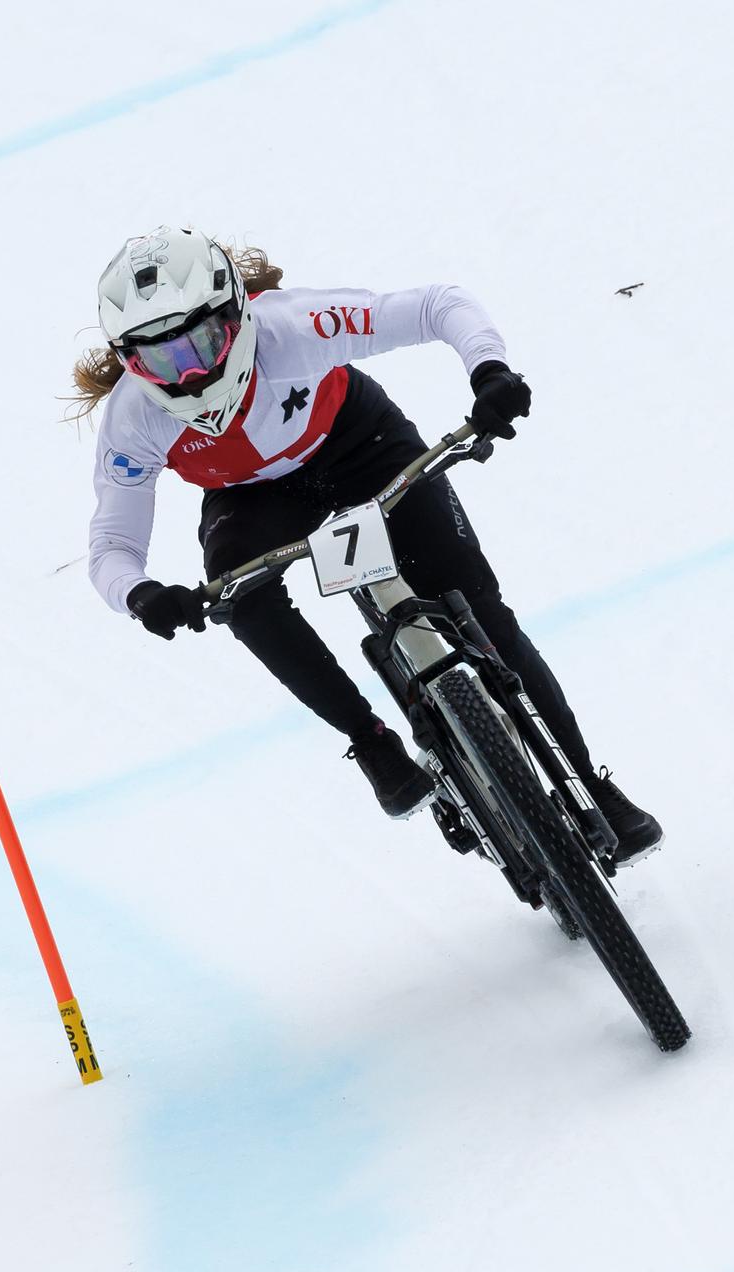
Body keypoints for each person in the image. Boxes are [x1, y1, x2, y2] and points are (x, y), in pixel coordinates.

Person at [74, 226, 661, 865]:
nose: (186, 376)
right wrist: (142, 595)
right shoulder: (135, 419)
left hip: (359, 441)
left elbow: (440, 304)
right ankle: (373, 741)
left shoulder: (294, 327)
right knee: (245, 604)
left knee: (483, 611)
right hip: (251, 497)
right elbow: (112, 544)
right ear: (130, 361)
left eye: (201, 344)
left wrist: (488, 370)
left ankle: (592, 792)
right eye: (160, 361)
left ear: (236, 313)